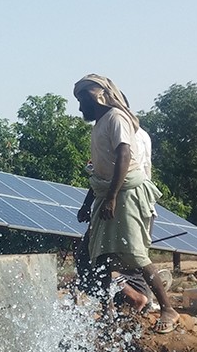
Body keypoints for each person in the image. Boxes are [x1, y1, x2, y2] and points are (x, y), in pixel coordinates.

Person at [73, 74, 179, 333]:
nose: (79, 107)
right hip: (105, 195)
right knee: (98, 257)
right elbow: (100, 170)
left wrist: (111, 197)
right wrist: (89, 203)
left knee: (136, 254)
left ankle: (168, 309)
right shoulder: (99, 124)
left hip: (125, 194)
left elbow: (124, 155)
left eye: (82, 99)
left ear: (98, 95)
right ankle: (109, 316)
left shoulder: (116, 118)